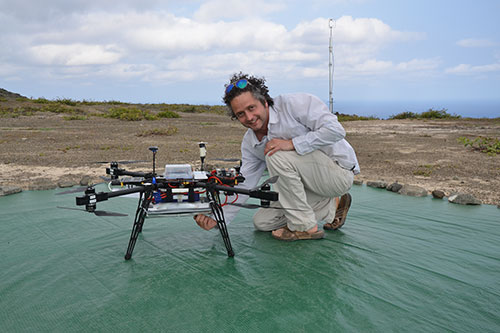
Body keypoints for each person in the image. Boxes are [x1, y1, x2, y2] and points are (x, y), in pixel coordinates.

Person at [194, 72, 360, 241]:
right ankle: (333, 205)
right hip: (309, 186)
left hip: (338, 173)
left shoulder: (295, 104)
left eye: (251, 108)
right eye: (240, 114)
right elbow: (245, 183)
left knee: (275, 153)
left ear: (265, 102)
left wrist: (292, 144)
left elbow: (336, 131)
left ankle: (305, 227)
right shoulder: (250, 142)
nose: (249, 118)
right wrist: (217, 217)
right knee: (262, 222)